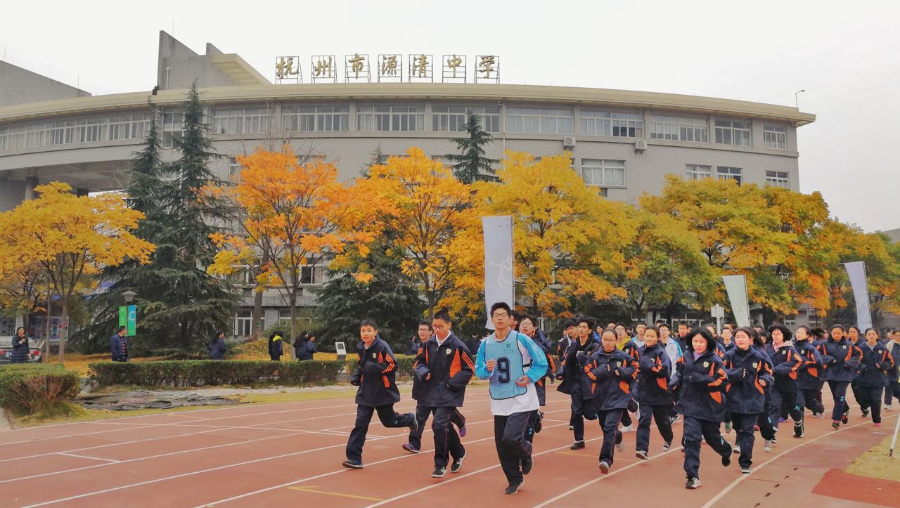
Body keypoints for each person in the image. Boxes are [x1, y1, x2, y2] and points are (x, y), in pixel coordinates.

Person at [475, 302, 548, 495]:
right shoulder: (485, 344)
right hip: (499, 399)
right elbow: (479, 371)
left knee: (511, 438)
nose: (499, 318)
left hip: (522, 398)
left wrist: (530, 376)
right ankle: (514, 479)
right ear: (491, 319)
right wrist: (487, 370)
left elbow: (541, 362)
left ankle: (526, 452)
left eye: (503, 315)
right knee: (501, 445)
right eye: (496, 315)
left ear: (510, 319)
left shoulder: (521, 339)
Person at [343, 319, 417, 469]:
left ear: (375, 332)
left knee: (389, 422)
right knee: (360, 424)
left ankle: (409, 419)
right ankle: (354, 458)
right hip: (365, 393)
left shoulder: (382, 346)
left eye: (369, 330)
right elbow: (361, 365)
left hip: (382, 391)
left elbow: (393, 365)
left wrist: (374, 368)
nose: (366, 333)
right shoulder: (361, 347)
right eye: (363, 331)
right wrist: (357, 376)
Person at [411, 311, 474, 477]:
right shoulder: (428, 344)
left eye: (440, 326)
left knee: (438, 424)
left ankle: (440, 463)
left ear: (449, 325)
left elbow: (469, 369)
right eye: (435, 326)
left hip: (449, 393)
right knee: (445, 426)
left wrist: (452, 383)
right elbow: (418, 362)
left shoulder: (458, 346)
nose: (437, 330)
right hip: (430, 391)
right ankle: (459, 452)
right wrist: (424, 372)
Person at [673, 328, 732, 490]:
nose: (698, 345)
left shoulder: (714, 360)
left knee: (712, 437)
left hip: (710, 405)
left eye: (701, 341)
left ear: (708, 342)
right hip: (690, 404)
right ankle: (692, 475)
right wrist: (675, 381)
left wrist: (703, 380)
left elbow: (723, 381)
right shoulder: (685, 356)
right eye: (695, 341)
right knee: (691, 438)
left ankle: (725, 450)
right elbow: (679, 371)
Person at [723, 327, 774, 474]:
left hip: (753, 398)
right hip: (733, 398)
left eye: (743, 337)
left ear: (751, 340)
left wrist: (765, 380)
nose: (740, 339)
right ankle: (739, 442)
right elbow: (720, 372)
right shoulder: (729, 355)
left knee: (747, 431)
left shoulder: (759, 356)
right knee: (738, 427)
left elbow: (768, 372)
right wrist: (737, 373)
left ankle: (745, 462)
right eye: (737, 337)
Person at [556, 315, 600, 450]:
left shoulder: (595, 345)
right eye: (579, 327)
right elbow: (567, 362)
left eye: (584, 327)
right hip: (576, 382)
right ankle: (579, 440)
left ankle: (607, 421)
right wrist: (561, 372)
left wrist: (584, 358)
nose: (580, 329)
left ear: (589, 330)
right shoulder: (574, 345)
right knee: (576, 411)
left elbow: (596, 362)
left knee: (589, 414)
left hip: (589, 383)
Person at [632, 326, 674, 460]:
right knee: (644, 419)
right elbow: (635, 366)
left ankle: (668, 437)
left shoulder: (661, 353)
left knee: (662, 422)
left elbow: (665, 371)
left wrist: (648, 366)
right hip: (644, 392)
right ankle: (642, 449)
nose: (649, 338)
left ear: (657, 338)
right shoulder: (639, 351)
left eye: (652, 336)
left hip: (659, 393)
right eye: (647, 335)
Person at [518, 315, 556, 442]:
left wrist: (535, 375)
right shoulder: (512, 343)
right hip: (517, 384)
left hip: (534, 383)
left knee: (529, 417)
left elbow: (547, 364)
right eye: (522, 324)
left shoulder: (538, 345)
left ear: (534, 328)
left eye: (528, 324)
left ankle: (527, 446)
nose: (525, 326)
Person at [821, 324, 863, 429]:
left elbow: (858, 354)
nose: (836, 335)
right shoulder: (825, 344)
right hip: (831, 374)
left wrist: (849, 363)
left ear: (843, 333)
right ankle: (845, 409)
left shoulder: (848, 345)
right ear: (831, 333)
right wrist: (829, 359)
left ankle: (836, 419)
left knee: (840, 394)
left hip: (845, 374)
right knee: (836, 396)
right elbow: (818, 355)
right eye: (834, 333)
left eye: (838, 333)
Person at [766, 324, 804, 438]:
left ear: (784, 335)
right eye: (773, 334)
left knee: (792, 408)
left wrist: (778, 369)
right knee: (774, 407)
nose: (776, 336)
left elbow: (799, 362)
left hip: (789, 382)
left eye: (778, 334)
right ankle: (772, 433)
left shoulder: (790, 349)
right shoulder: (768, 348)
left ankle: (798, 422)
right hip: (774, 383)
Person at [857, 328, 894, 427]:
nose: (871, 336)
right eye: (869, 334)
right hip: (863, 378)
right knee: (863, 399)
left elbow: (890, 362)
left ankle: (877, 420)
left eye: (873, 334)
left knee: (876, 400)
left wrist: (881, 365)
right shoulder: (860, 348)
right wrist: (861, 366)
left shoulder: (883, 349)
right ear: (865, 336)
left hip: (878, 379)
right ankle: (865, 407)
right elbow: (855, 361)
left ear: (877, 336)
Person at [794, 326, 825, 418]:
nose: (799, 334)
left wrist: (802, 362)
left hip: (811, 378)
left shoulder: (810, 348)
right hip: (797, 378)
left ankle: (819, 408)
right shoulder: (792, 346)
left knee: (809, 402)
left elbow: (818, 361)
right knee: (799, 401)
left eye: (802, 333)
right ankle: (799, 422)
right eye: (798, 332)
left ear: (807, 335)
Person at [885, 330, 900, 411]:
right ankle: (888, 402)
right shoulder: (889, 345)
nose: (898, 337)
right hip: (892, 371)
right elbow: (886, 357)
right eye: (896, 335)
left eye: (899, 335)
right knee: (892, 388)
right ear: (893, 336)